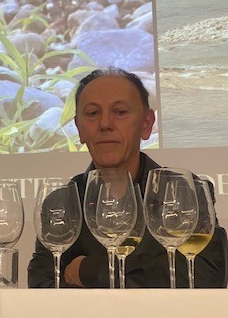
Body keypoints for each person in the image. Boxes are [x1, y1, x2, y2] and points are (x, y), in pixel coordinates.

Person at [28, 67, 228, 288]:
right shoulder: (61, 201)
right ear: (79, 128)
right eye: (93, 113)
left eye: (120, 112)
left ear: (146, 124)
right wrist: (152, 268)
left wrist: (88, 271)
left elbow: (205, 275)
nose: (105, 124)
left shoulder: (185, 190)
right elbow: (42, 285)